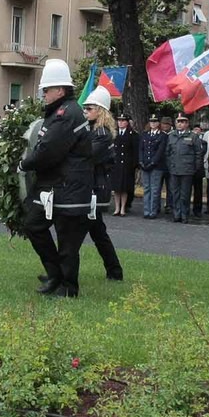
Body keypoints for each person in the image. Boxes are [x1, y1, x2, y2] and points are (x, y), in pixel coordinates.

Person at [20, 59, 93, 298]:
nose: (44, 95)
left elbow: (49, 150)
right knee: (34, 224)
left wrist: (25, 163)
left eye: (47, 90)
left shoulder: (65, 114)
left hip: (68, 188)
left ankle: (68, 286)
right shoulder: (62, 112)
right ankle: (56, 274)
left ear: (60, 90)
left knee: (68, 242)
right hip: (58, 186)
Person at [82, 86, 123, 279]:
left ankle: (60, 271)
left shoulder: (101, 134)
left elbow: (86, 156)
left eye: (89, 108)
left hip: (95, 188)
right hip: (91, 186)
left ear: (100, 111)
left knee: (84, 232)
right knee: (97, 232)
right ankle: (114, 271)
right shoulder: (92, 130)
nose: (85, 111)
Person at [165, 114, 201, 224]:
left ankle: (184, 214)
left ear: (187, 123)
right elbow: (168, 153)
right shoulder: (171, 136)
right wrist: (170, 166)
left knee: (185, 194)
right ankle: (177, 214)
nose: (180, 124)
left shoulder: (193, 136)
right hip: (174, 169)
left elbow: (198, 153)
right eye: (178, 122)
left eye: (182, 122)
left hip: (187, 170)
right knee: (175, 193)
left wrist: (195, 168)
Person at [138, 114, 168, 220]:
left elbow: (160, 151)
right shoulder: (145, 134)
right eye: (151, 122)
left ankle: (153, 211)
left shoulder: (163, 136)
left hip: (156, 166)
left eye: (155, 122)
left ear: (158, 123)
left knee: (155, 189)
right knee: (146, 188)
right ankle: (146, 211)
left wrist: (152, 162)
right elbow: (141, 149)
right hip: (145, 164)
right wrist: (141, 161)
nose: (153, 124)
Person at [111, 113, 139, 216]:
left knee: (124, 188)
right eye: (119, 121)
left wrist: (134, 165)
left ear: (127, 122)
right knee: (117, 188)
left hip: (127, 165)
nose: (120, 123)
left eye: (123, 121)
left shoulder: (132, 134)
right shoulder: (114, 133)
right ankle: (117, 208)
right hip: (116, 164)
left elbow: (135, 151)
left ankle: (123, 208)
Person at [191, 123, 207, 218]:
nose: (196, 131)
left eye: (198, 129)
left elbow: (201, 152)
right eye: (195, 129)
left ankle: (197, 209)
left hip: (198, 169)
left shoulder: (203, 142)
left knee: (198, 191)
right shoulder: (188, 140)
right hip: (188, 168)